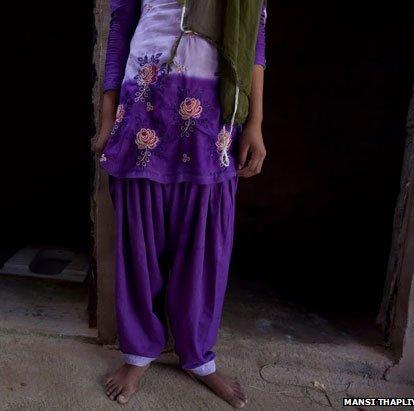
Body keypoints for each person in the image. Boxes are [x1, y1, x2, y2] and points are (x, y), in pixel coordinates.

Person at [92, 0, 267, 407]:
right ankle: (138, 354)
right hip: (142, 109)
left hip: (214, 119)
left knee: (204, 249)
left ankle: (197, 357)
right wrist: (106, 117)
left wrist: (255, 124)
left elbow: (254, 40)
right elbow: (120, 31)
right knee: (140, 244)